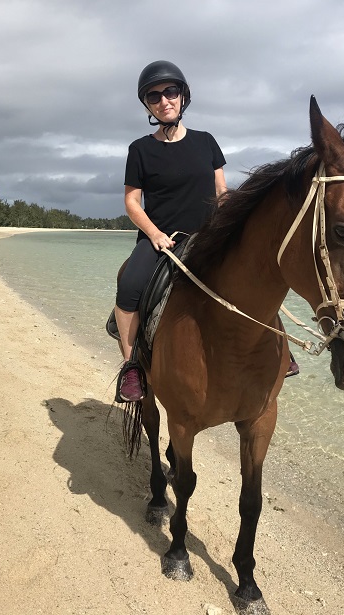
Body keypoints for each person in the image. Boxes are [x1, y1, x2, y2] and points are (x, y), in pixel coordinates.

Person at [114, 60, 227, 402]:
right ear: (147, 105)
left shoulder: (206, 142)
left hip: (206, 234)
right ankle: (132, 367)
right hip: (160, 239)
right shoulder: (140, 149)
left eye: (171, 92)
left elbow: (222, 191)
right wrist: (155, 235)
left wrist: (228, 226)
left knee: (253, 271)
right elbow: (132, 202)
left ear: (182, 96)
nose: (164, 101)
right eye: (154, 96)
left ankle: (275, 347)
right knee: (129, 288)